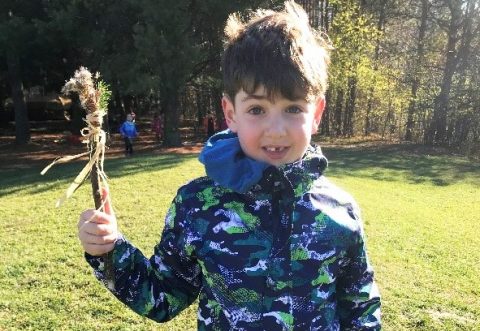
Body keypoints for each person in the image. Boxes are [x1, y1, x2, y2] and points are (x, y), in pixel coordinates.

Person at [78, 1, 381, 330]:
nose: (276, 129)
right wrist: (109, 250)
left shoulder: (340, 211)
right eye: (257, 109)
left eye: (293, 109)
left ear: (317, 113)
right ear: (231, 112)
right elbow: (161, 297)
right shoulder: (197, 206)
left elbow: (360, 306)